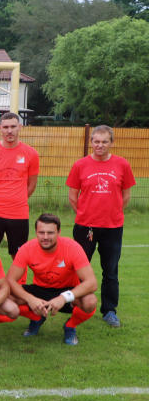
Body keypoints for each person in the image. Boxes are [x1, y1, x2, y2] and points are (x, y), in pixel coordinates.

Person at [66, 125, 135, 327]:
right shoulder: (80, 165)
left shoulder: (122, 164)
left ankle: (109, 310)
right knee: (78, 269)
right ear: (91, 143)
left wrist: (112, 213)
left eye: (104, 141)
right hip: (85, 227)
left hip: (113, 227)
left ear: (111, 143)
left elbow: (126, 195)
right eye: (96, 141)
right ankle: (75, 304)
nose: (100, 145)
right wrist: (86, 214)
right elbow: (72, 196)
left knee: (110, 270)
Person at [6, 213, 98, 345]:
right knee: (7, 297)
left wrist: (64, 298)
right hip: (40, 290)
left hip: (66, 291)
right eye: (41, 232)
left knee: (90, 301)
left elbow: (92, 283)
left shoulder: (72, 247)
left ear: (58, 232)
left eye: (50, 233)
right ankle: (36, 318)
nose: (45, 237)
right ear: (36, 232)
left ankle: (70, 326)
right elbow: (10, 280)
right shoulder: (27, 248)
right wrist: (30, 299)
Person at [0, 112, 39, 259]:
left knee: (19, 255)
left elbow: (31, 185)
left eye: (13, 126)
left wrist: (17, 199)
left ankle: (18, 283)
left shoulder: (31, 154)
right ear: (0, 128)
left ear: (20, 127)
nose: (9, 131)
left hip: (19, 213)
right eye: (5, 127)